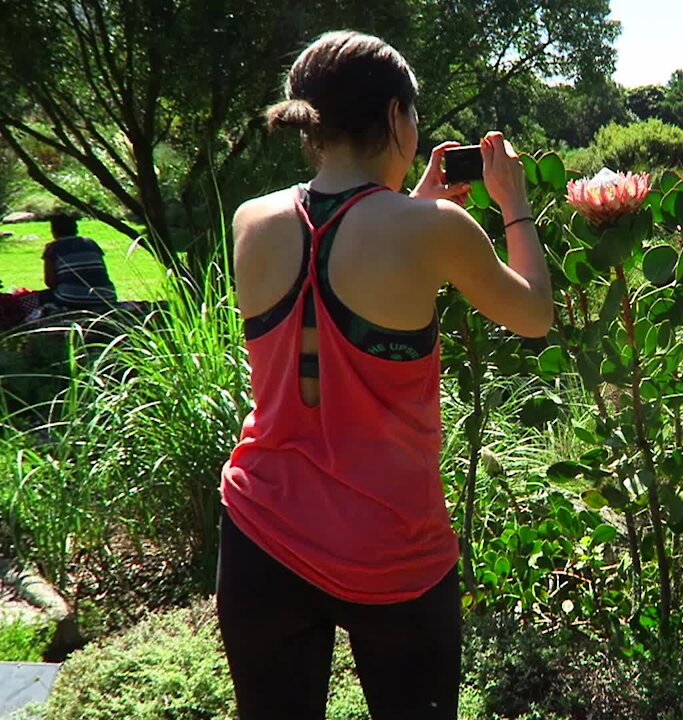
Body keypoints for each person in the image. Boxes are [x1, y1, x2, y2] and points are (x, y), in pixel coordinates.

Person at [218, 30, 552, 720]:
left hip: (260, 535)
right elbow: (534, 315)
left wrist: (417, 198)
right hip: (391, 549)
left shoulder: (253, 219)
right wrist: (512, 201)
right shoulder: (434, 228)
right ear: (397, 118)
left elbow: (347, 231)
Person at [41, 213, 117, 310]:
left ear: (53, 230)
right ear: (75, 228)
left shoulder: (52, 248)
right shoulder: (91, 243)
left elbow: (50, 282)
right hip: (107, 297)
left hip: (71, 299)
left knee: (42, 297)